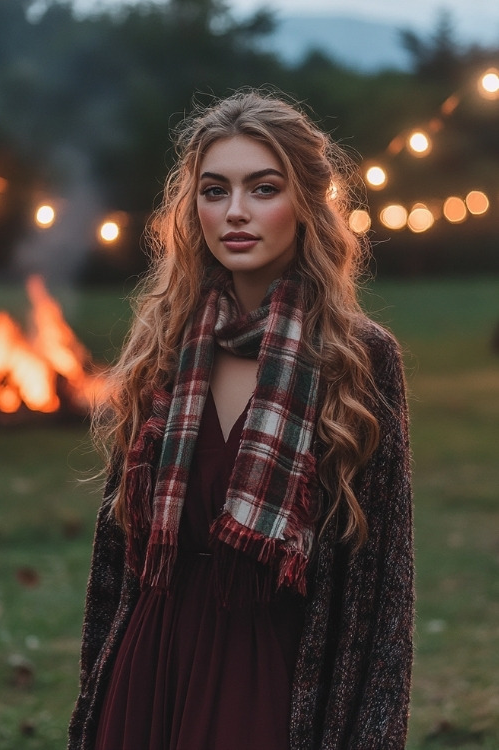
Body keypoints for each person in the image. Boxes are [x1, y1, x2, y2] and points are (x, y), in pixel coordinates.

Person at [68, 89, 414, 750]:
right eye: (214, 190)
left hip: (271, 677)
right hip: (147, 668)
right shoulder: (161, 348)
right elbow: (115, 564)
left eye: (262, 188)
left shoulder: (357, 359)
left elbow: (382, 591)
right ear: (190, 207)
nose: (234, 213)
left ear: (308, 204)